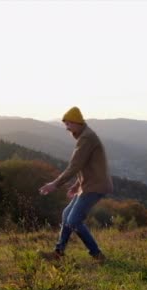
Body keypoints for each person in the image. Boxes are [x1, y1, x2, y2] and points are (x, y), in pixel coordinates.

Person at [39, 106, 113, 261]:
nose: (67, 128)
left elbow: (75, 165)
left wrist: (55, 184)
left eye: (69, 124)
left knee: (73, 220)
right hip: (88, 185)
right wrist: (77, 184)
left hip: (95, 186)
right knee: (66, 215)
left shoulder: (86, 138)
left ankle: (97, 255)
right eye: (65, 124)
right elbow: (87, 165)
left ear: (77, 122)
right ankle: (58, 252)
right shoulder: (84, 136)